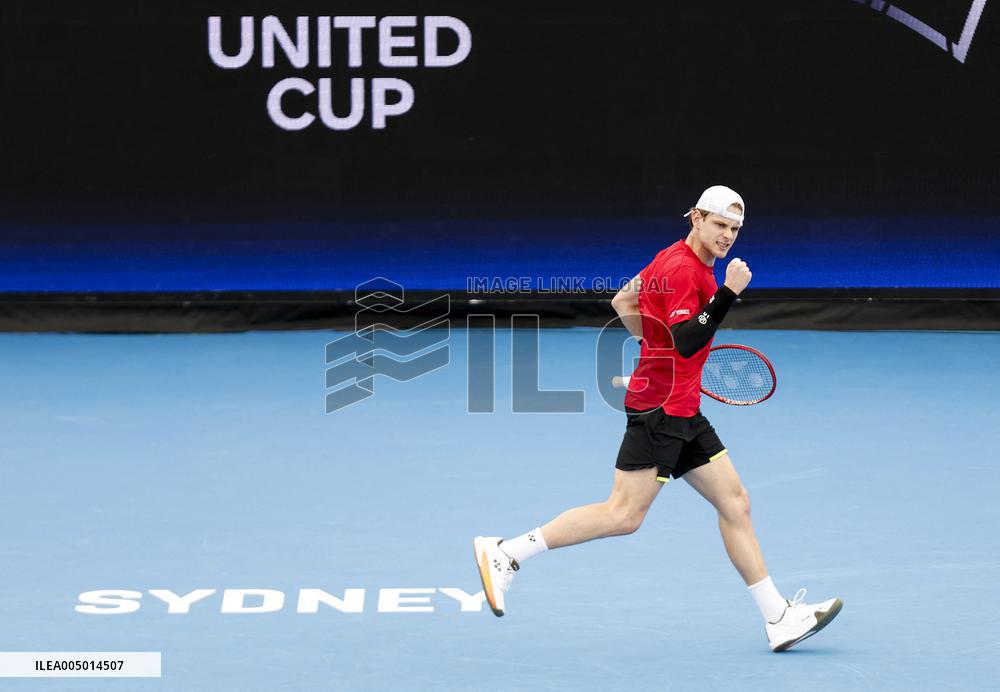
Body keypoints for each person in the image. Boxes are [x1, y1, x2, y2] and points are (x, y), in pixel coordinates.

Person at [474, 185, 842, 652]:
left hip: (681, 406)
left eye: (735, 229)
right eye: (719, 225)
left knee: (736, 503)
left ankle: (778, 617)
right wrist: (728, 292)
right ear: (696, 218)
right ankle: (506, 552)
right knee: (623, 514)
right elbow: (688, 340)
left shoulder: (666, 259)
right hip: (662, 411)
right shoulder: (686, 272)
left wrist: (654, 352)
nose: (728, 236)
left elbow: (624, 304)